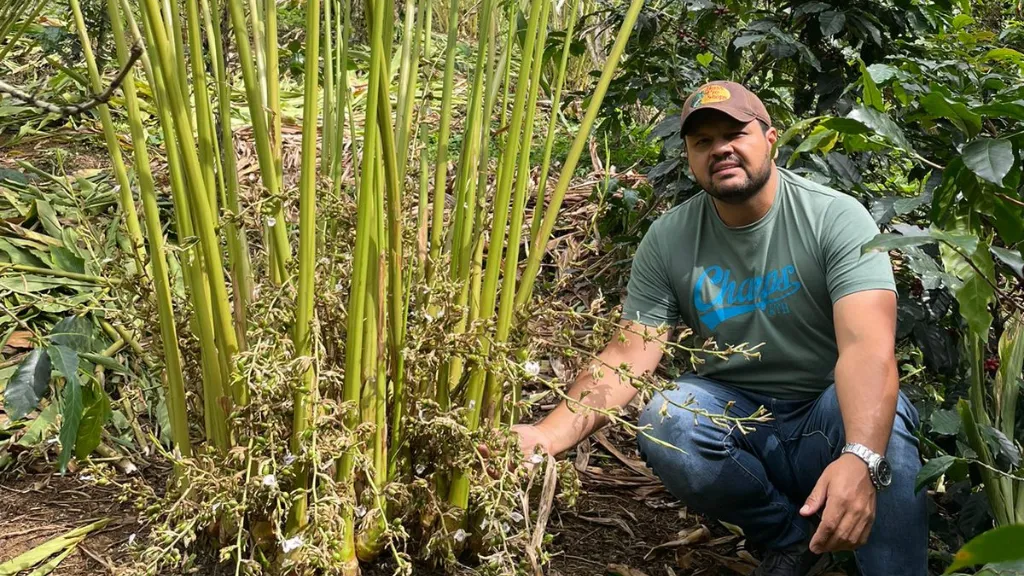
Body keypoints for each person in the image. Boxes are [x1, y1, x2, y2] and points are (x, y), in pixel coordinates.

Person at [512, 81, 928, 575]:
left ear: (770, 137)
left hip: (828, 418)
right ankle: (788, 538)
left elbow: (868, 352)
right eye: (703, 141)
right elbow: (628, 356)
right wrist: (545, 436)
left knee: (885, 426)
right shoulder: (670, 238)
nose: (720, 149)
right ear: (689, 156)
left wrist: (860, 457)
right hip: (741, 428)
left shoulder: (834, 217)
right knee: (670, 416)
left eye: (735, 132)